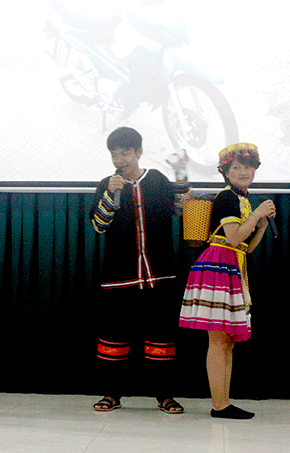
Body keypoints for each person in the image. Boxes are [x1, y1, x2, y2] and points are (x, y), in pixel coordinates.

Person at [89, 126, 188, 414]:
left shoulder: (157, 180)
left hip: (159, 275)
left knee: (160, 338)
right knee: (114, 338)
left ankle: (164, 395)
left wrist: (181, 174)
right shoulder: (106, 184)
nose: (119, 160)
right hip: (118, 278)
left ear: (139, 152)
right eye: (114, 155)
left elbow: (182, 207)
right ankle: (111, 394)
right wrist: (110, 195)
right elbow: (99, 225)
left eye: (125, 153)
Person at [179, 142, 275, 420]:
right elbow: (233, 238)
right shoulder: (227, 198)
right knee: (219, 339)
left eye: (248, 167)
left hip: (231, 266)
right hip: (218, 267)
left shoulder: (242, 199)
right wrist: (257, 215)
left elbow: (246, 247)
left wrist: (262, 225)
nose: (243, 172)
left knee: (226, 341)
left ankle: (223, 402)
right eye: (237, 167)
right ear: (225, 171)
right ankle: (219, 404)